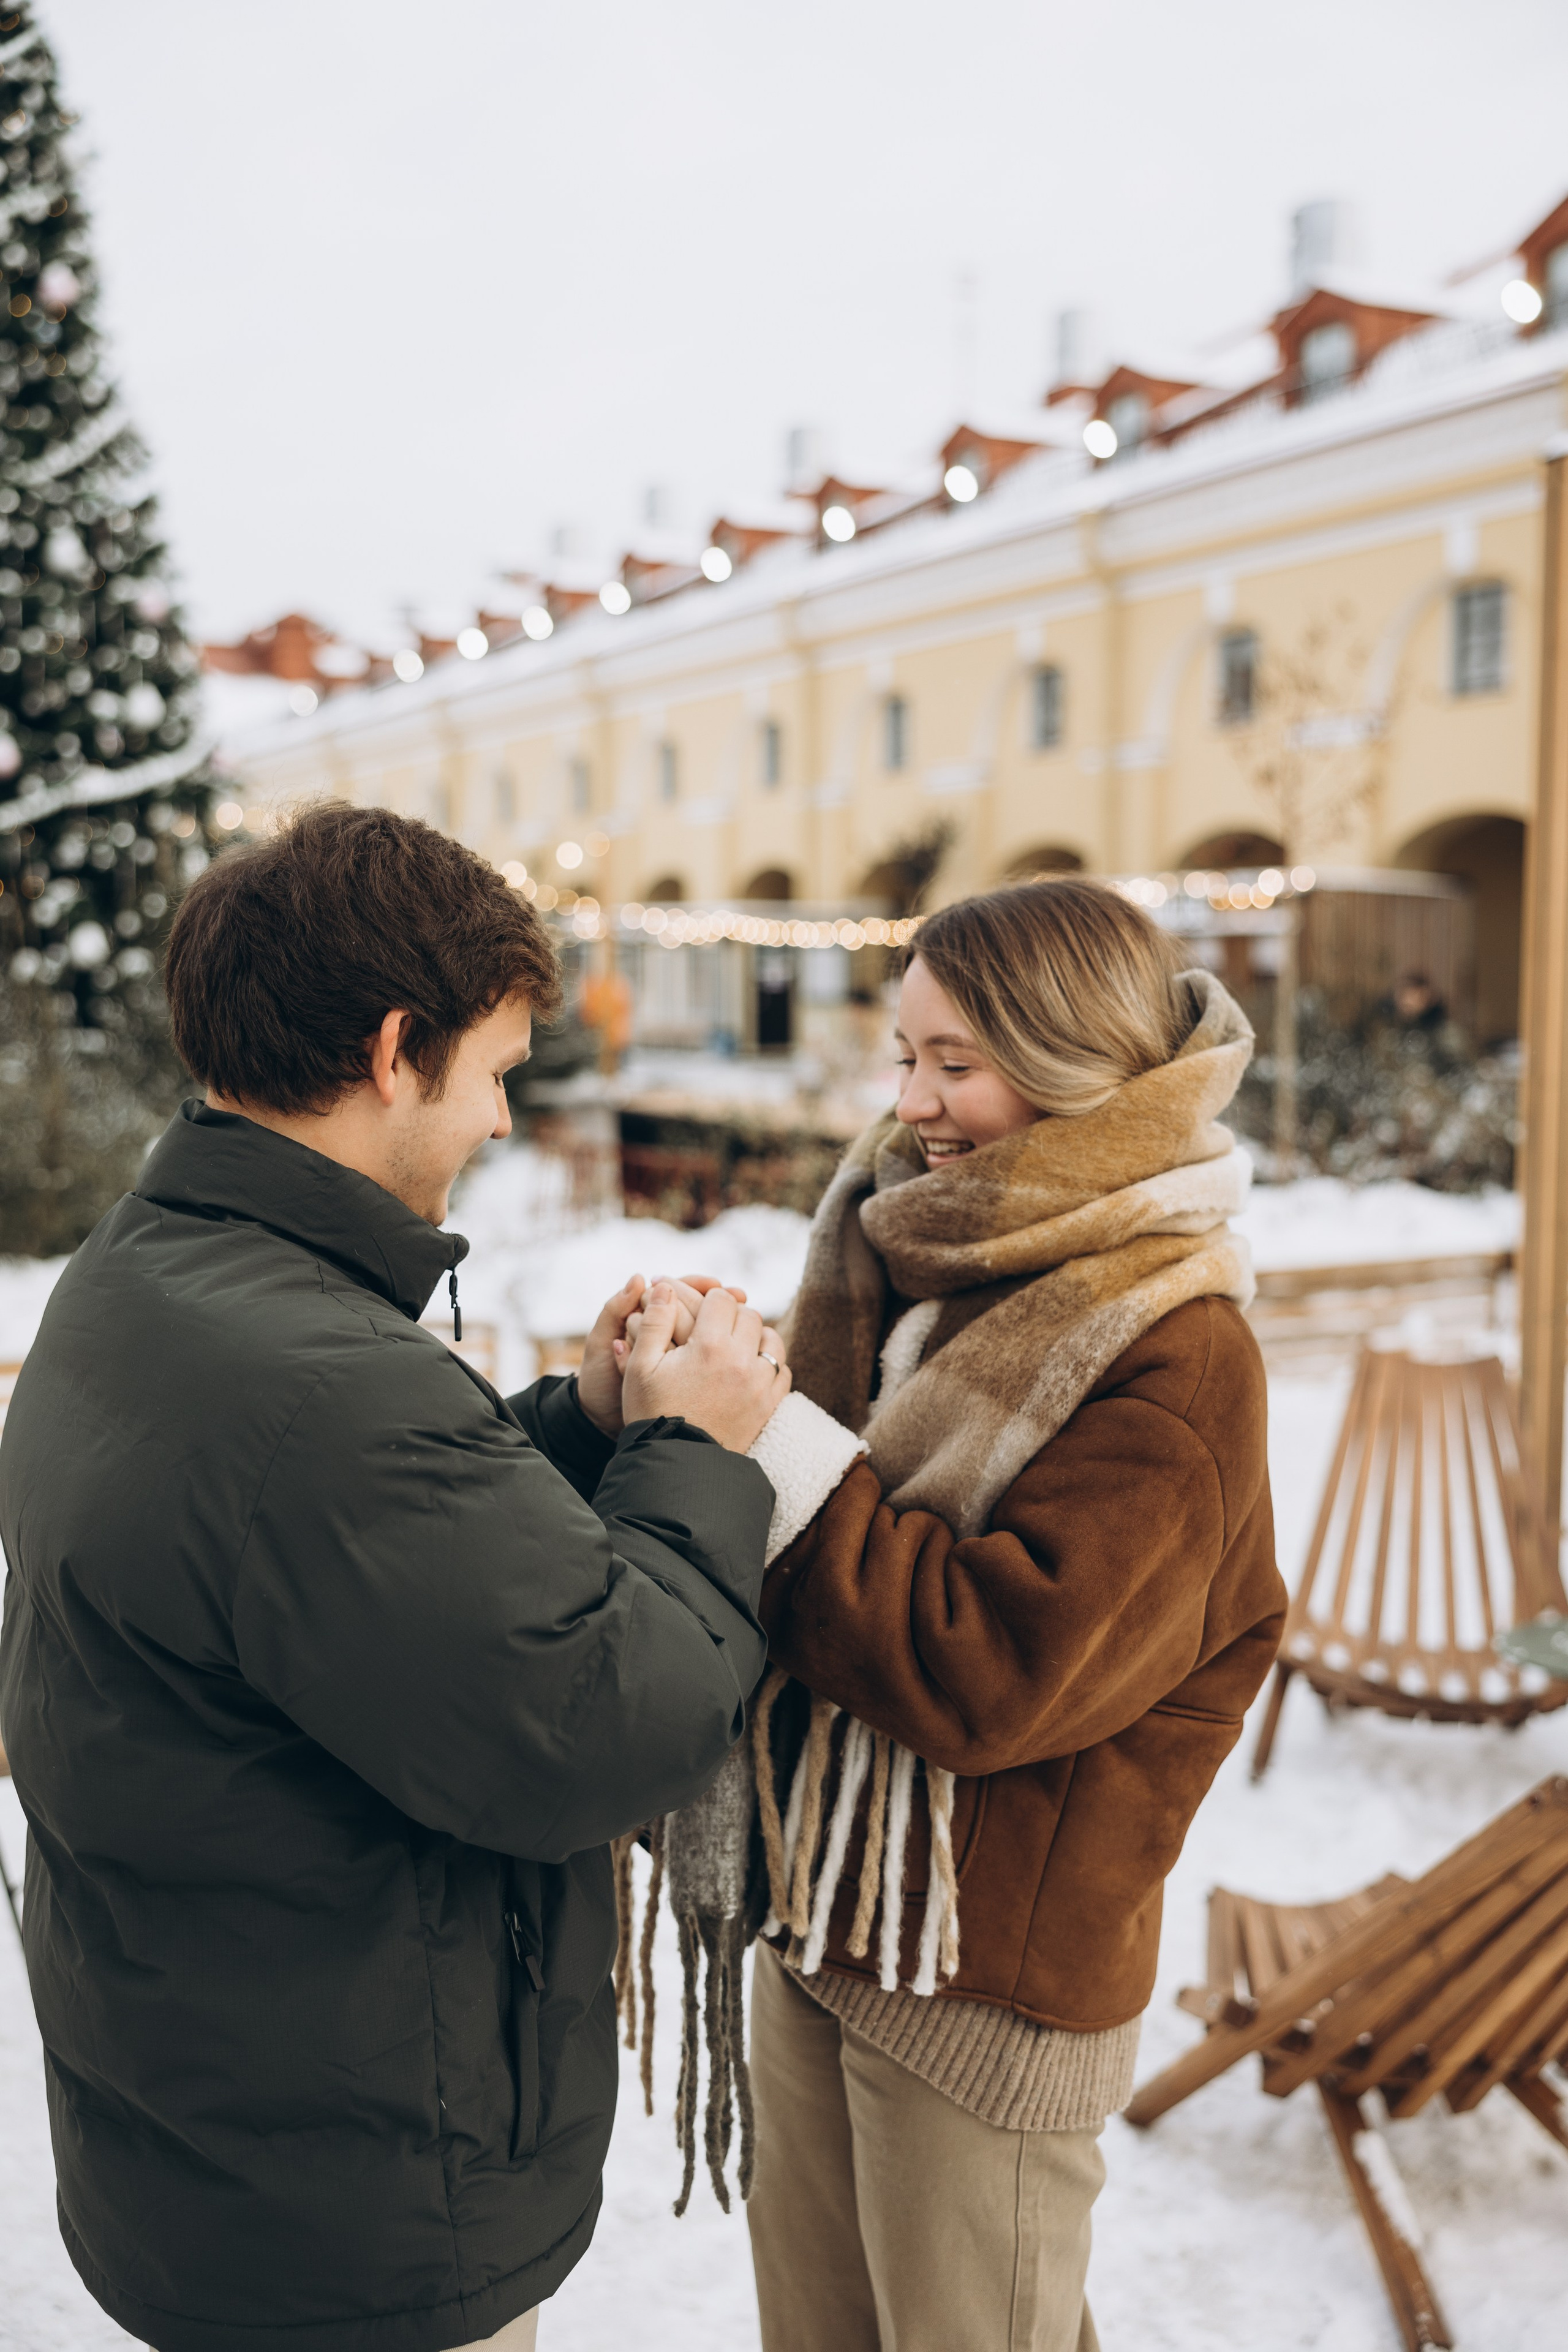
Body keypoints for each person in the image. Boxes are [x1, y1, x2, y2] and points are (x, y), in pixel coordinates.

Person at [0, 802, 796, 2352]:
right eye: (493, 1071)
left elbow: (338, 1553)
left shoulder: (158, 1269)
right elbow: (603, 1720)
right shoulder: (323, 1382)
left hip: (215, 2132)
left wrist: (578, 1427)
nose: (501, 1121)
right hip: (355, 2201)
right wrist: (700, 1453)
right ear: (391, 1051)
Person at [739, 877, 1287, 2352]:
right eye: (903, 1054)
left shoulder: (1174, 1352)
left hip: (986, 1979)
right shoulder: (914, 1259)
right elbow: (830, 1468)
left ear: (1070, 1064)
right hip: (824, 1904)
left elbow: (994, 1672)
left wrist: (767, 1444)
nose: (908, 1101)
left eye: (953, 1063)